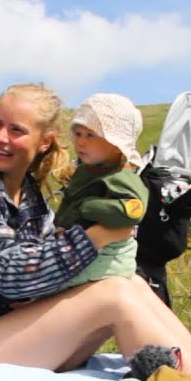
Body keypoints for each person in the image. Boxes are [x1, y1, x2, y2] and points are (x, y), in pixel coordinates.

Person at [0, 82, 191, 375]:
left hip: (7, 329)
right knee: (114, 295)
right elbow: (7, 275)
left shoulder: (32, 198)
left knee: (133, 283)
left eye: (16, 130)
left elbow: (38, 270)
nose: (0, 137)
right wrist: (98, 236)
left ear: (45, 142)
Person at [55, 92, 149, 289]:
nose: (81, 142)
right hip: (84, 249)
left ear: (116, 144)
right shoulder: (88, 169)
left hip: (108, 256)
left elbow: (133, 210)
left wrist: (87, 207)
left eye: (91, 135)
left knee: (53, 286)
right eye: (78, 134)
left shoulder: (120, 175)